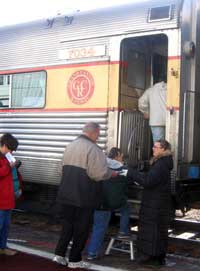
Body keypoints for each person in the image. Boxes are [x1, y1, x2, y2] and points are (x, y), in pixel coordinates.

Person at [53, 122, 113, 268]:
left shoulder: (70, 145)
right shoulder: (94, 149)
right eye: (98, 134)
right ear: (93, 133)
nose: (98, 137)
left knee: (67, 226)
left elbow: (59, 170)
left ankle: (59, 255)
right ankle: (74, 260)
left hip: (66, 195)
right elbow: (97, 174)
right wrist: (111, 173)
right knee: (81, 229)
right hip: (84, 197)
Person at [128, 139, 173, 266]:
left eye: (156, 147)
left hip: (154, 204)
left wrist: (132, 173)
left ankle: (148, 255)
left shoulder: (160, 164)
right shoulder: (163, 163)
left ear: (163, 149)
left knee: (150, 229)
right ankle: (159, 256)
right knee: (159, 230)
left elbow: (148, 181)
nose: (153, 148)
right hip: (159, 203)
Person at [87, 147, 130, 260]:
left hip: (97, 201)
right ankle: (123, 231)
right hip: (111, 203)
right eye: (121, 156)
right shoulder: (123, 168)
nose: (122, 158)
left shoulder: (100, 165)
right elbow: (129, 181)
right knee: (126, 207)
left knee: (97, 226)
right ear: (117, 156)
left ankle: (90, 250)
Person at [0, 133, 19, 256]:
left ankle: (2, 247)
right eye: (11, 149)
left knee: (6, 226)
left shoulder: (7, 157)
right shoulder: (4, 159)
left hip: (8, 198)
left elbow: (14, 176)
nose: (11, 152)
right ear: (5, 145)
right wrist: (9, 166)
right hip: (1, 199)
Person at [138, 78, 167, 142]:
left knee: (158, 145)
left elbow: (141, 102)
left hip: (155, 121)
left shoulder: (150, 90)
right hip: (169, 120)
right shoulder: (170, 89)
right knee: (170, 144)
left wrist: (147, 112)